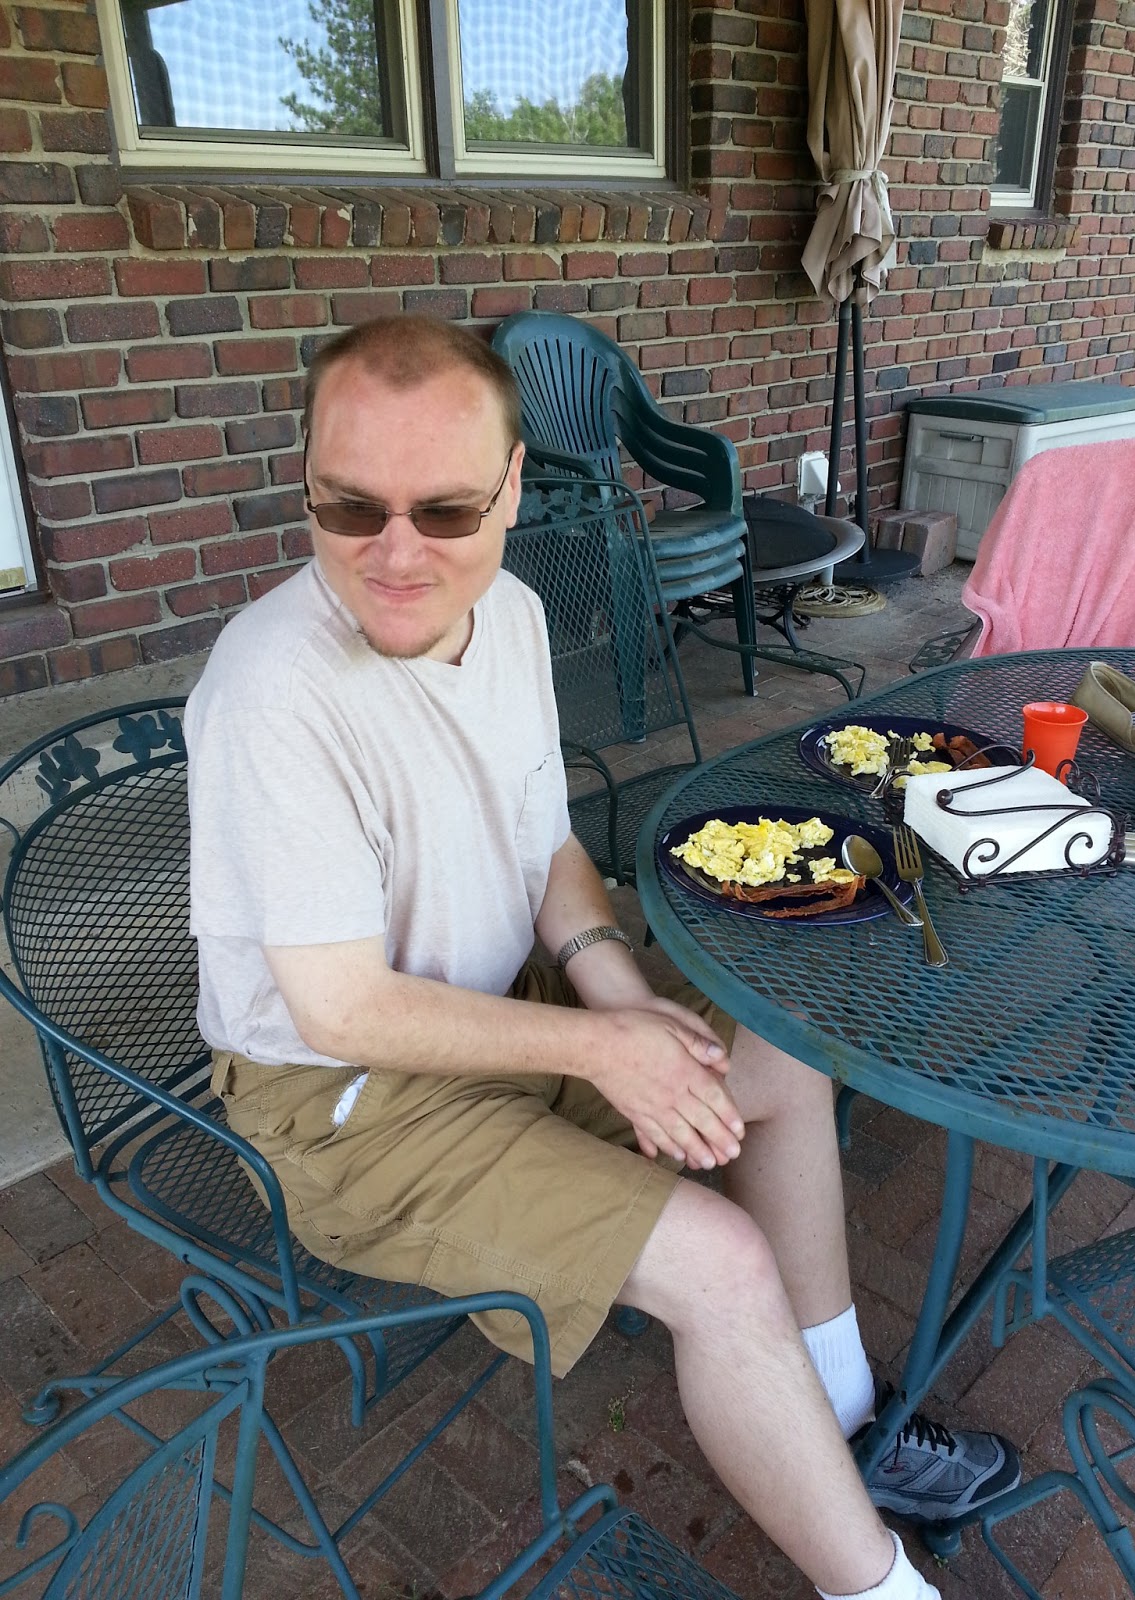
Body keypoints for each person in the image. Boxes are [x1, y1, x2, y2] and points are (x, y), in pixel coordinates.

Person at [185, 314, 1019, 1600]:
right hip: (344, 1100)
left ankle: (850, 1418)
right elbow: (339, 1007)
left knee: (778, 1053)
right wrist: (599, 1045)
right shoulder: (272, 690)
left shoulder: (512, 614)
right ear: (303, 480)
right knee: (721, 1266)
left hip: (501, 1004)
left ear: (515, 487)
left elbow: (548, 853)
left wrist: (625, 1002)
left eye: (445, 509)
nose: (395, 554)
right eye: (349, 506)